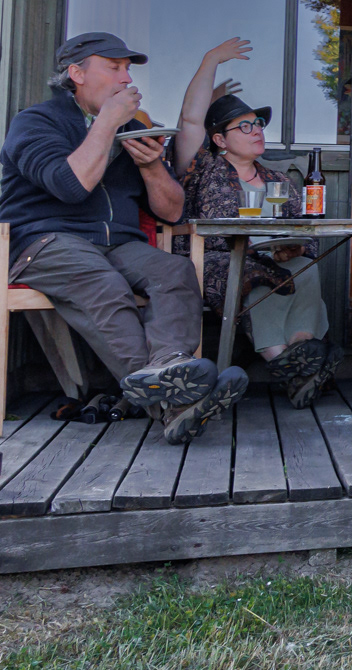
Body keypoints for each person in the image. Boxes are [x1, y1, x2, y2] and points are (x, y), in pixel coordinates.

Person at [0, 33, 246, 443]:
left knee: (174, 270)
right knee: (102, 283)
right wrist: (107, 124)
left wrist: (151, 166)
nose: (125, 77)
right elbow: (70, 185)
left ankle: (168, 367)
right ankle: (170, 403)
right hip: (45, 241)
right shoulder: (36, 122)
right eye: (113, 67)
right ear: (76, 74)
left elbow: (171, 211)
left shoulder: (133, 130)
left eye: (127, 69)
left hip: (117, 244)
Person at [171, 48, 338, 409]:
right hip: (219, 258)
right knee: (258, 275)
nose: (256, 131)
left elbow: (302, 229)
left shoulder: (278, 179)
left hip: (275, 258)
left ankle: (300, 358)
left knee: (306, 267)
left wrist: (294, 247)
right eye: (244, 126)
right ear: (219, 139)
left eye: (258, 124)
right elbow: (189, 120)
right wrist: (210, 61)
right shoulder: (202, 168)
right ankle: (294, 368)